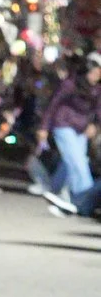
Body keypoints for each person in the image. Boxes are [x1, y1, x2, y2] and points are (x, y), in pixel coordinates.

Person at [38, 61, 100, 214]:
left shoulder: (97, 89)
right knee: (78, 162)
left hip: (82, 128)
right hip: (64, 123)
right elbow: (53, 104)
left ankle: (58, 191)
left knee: (71, 162)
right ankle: (85, 201)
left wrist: (95, 125)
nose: (97, 76)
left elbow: (98, 110)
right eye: (94, 72)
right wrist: (44, 127)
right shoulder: (70, 84)